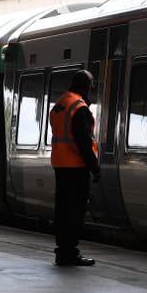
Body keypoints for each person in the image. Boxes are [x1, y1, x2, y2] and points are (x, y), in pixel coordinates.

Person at [49, 69, 100, 266]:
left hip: (61, 165)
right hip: (76, 167)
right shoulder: (79, 107)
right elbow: (84, 142)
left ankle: (62, 251)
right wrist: (94, 168)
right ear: (86, 86)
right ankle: (70, 252)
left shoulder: (61, 104)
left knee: (63, 211)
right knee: (75, 212)